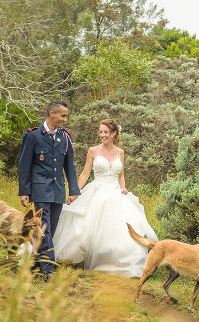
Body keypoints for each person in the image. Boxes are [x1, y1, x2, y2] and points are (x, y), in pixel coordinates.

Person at [53, 118, 158, 278]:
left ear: (114, 133)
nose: (102, 135)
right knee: (90, 226)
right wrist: (74, 191)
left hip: (116, 192)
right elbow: (85, 174)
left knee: (121, 227)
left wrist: (123, 187)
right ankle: (84, 258)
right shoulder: (93, 151)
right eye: (101, 132)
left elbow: (121, 175)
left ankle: (123, 262)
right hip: (97, 190)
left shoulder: (120, 152)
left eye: (106, 132)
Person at [18, 101, 80, 279]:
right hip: (40, 189)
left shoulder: (64, 137)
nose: (65, 119)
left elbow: (70, 166)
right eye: (63, 116)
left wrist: (73, 189)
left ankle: (34, 265)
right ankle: (49, 268)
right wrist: (24, 191)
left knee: (50, 229)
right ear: (51, 114)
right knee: (43, 228)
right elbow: (24, 166)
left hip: (58, 190)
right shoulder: (33, 136)